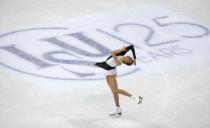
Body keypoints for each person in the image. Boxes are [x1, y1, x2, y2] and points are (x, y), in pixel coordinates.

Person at [95, 44, 143, 116]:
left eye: (130, 60)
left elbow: (112, 53)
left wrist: (121, 49)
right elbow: (131, 46)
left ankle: (136, 98)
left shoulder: (119, 62)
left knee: (115, 90)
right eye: (131, 58)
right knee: (114, 92)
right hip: (107, 71)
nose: (130, 58)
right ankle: (118, 109)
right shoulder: (122, 54)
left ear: (126, 62)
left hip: (111, 72)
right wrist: (135, 58)